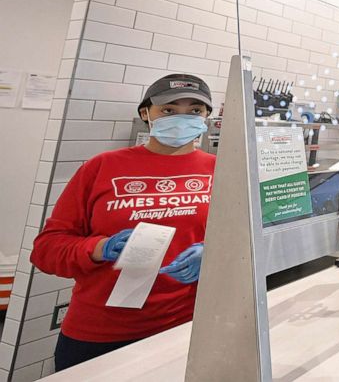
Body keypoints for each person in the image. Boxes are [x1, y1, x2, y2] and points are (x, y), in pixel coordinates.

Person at [31, 74, 216, 371]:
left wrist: (215, 253)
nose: (182, 118)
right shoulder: (102, 166)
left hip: (183, 327)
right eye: (168, 110)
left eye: (195, 110)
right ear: (146, 113)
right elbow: (46, 249)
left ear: (207, 116)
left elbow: (250, 243)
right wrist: (99, 248)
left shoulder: (220, 171)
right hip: (98, 332)